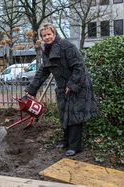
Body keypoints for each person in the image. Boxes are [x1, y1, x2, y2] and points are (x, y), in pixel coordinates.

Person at [25, 23, 98, 157]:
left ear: (54, 34)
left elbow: (79, 67)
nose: (47, 37)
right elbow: (43, 71)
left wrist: (71, 85)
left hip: (77, 85)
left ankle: (75, 147)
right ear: (41, 38)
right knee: (64, 113)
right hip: (62, 87)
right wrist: (31, 89)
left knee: (75, 115)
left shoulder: (67, 46)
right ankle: (66, 141)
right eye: (44, 35)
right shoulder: (46, 51)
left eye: (49, 34)